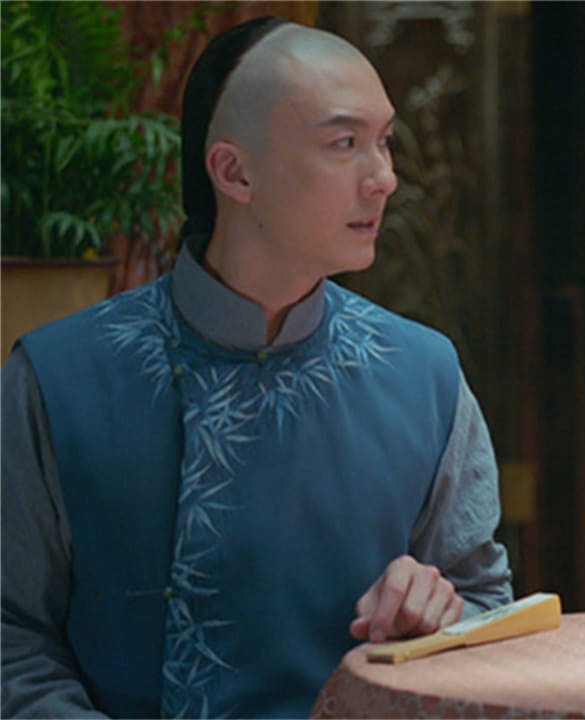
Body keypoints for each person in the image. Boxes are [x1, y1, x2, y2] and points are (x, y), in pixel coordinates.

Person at [1, 17, 512, 718]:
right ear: (234, 172)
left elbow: (487, 607)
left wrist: (436, 613)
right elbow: (11, 634)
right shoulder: (60, 377)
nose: (385, 178)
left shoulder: (423, 376)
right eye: (345, 144)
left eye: (385, 141)